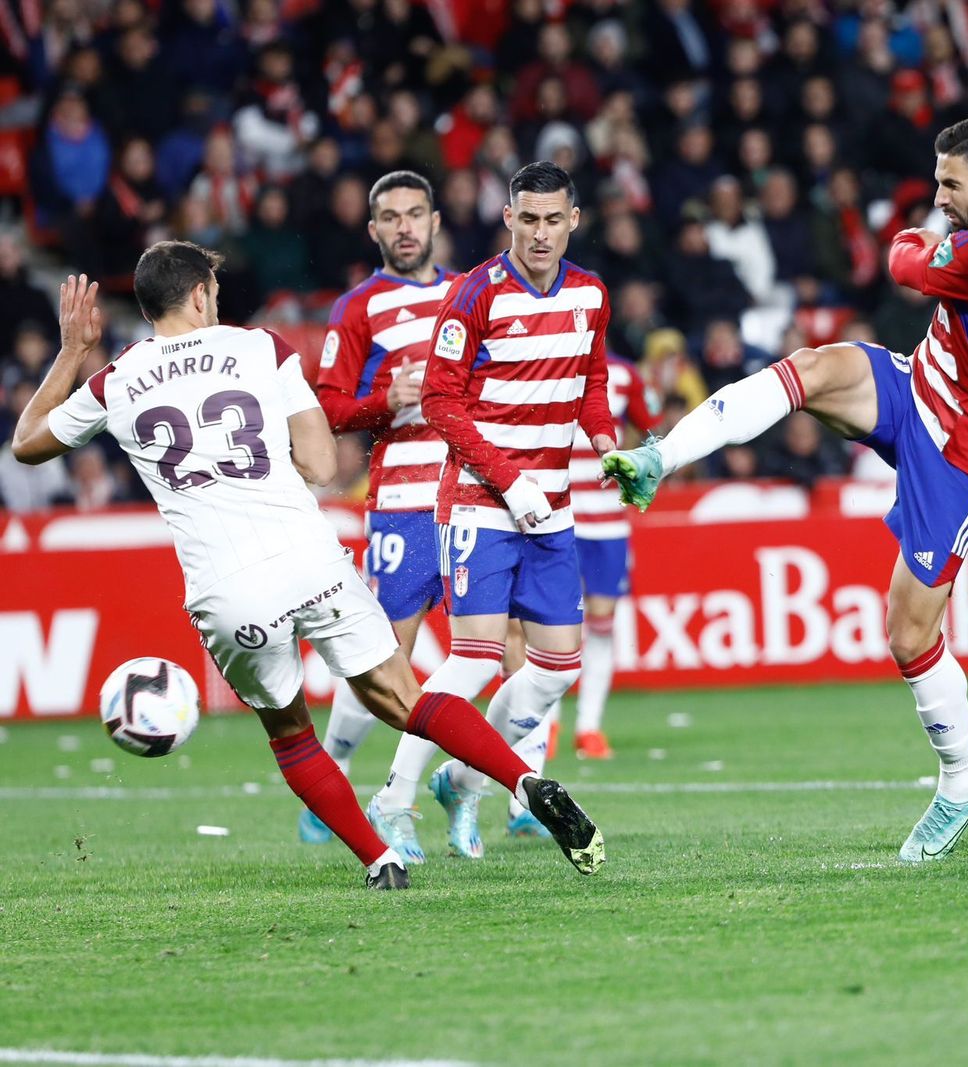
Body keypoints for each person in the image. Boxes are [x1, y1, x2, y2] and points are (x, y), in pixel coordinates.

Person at [9, 248, 604, 887]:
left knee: (291, 733)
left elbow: (27, 444)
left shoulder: (116, 379)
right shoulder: (260, 347)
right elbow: (321, 465)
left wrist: (73, 350)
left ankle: (381, 862)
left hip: (228, 586)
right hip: (306, 553)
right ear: (203, 295)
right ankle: (525, 779)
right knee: (404, 697)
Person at [604, 117, 968, 863]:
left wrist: (913, 235)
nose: (939, 197)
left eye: (949, 184)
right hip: (920, 383)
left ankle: (962, 781)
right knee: (815, 368)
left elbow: (903, 264)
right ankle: (661, 457)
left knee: (908, 635)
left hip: (962, 452)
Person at [366, 162, 617, 862]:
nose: (539, 234)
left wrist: (604, 440)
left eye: (552, 220)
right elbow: (442, 401)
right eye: (527, 219)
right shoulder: (477, 293)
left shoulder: (591, 294)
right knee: (474, 658)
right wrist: (511, 480)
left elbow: (590, 379)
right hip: (481, 500)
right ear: (507, 218)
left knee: (560, 664)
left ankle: (464, 774)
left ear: (575, 221)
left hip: (553, 509)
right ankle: (392, 798)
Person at [295, 171, 457, 848]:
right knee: (387, 657)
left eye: (415, 213)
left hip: (474, 495)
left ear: (435, 219)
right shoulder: (358, 308)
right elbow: (328, 407)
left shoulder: (470, 292)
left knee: (503, 644)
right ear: (374, 230)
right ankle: (333, 778)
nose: (405, 227)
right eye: (390, 217)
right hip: (402, 503)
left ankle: (447, 794)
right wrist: (384, 403)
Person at [561, 352, 659, 763]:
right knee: (550, 623)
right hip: (557, 516)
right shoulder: (546, 359)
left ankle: (588, 727)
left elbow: (652, 430)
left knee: (601, 622)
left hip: (606, 523)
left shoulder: (623, 373)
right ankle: (544, 724)